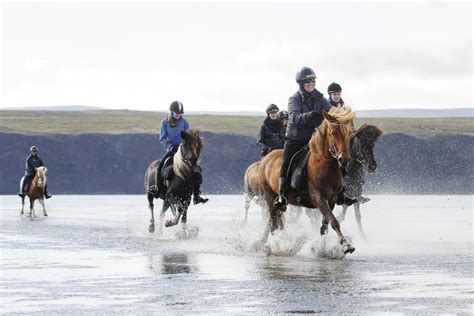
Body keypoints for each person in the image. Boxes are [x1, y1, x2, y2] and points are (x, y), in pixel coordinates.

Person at [273, 67, 356, 209]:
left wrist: (342, 117)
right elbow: (294, 119)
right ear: (301, 84)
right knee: (287, 162)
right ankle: (282, 195)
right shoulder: (294, 99)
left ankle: (340, 193)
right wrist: (310, 115)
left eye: (313, 81)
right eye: (307, 82)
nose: (311, 84)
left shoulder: (321, 98)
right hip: (296, 139)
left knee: (337, 157)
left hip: (315, 139)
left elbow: (331, 111)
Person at [148, 101, 208, 205]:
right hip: (171, 150)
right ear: (171, 112)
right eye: (176, 113)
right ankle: (157, 188)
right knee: (161, 165)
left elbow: (188, 137)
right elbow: (162, 138)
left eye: (180, 113)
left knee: (196, 168)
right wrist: (169, 146)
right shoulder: (165, 123)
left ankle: (197, 195)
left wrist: (187, 147)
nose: (178, 115)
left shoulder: (184, 122)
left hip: (183, 150)